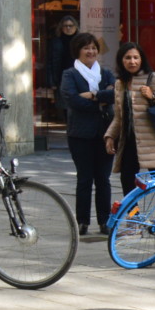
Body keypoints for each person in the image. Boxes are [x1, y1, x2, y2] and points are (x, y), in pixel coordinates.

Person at [103, 42, 155, 196]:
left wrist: (154, 96)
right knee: (127, 180)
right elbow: (119, 116)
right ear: (121, 60)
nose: (132, 61)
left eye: (135, 57)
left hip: (152, 142)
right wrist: (110, 136)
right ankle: (134, 217)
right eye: (127, 58)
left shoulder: (154, 78)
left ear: (142, 59)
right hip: (129, 142)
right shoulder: (120, 84)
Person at [60, 32, 116, 235]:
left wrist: (93, 95)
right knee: (84, 179)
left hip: (105, 133)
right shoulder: (70, 74)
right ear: (78, 51)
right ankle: (82, 222)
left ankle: (104, 221)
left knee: (103, 179)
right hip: (80, 134)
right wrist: (101, 101)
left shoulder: (107, 73)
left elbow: (115, 94)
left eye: (93, 47)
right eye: (86, 48)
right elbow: (73, 101)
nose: (91, 51)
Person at [46, 15, 80, 121]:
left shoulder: (81, 41)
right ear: (61, 27)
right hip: (61, 78)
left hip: (78, 78)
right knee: (64, 107)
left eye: (71, 25)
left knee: (78, 105)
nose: (68, 28)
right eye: (65, 26)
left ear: (76, 27)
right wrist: (51, 82)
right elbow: (50, 62)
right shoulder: (56, 42)